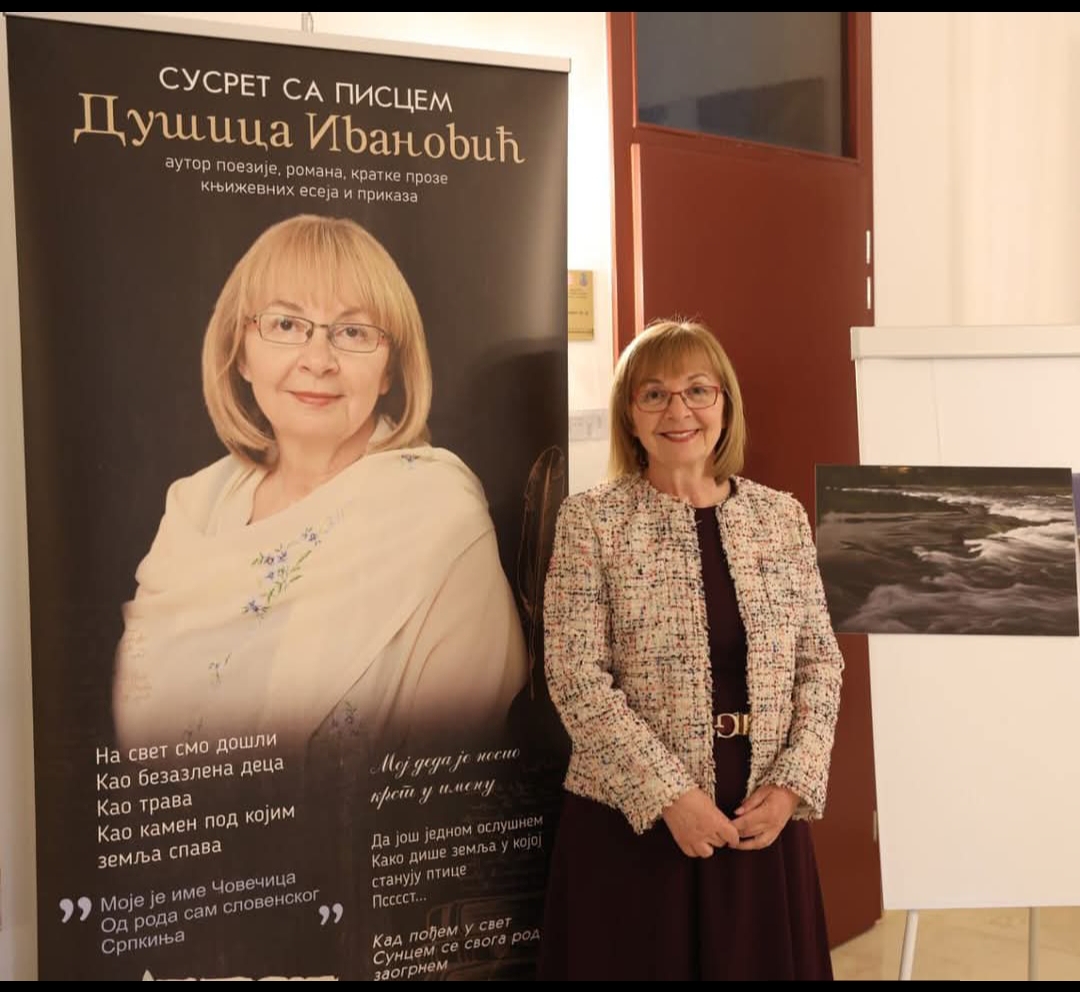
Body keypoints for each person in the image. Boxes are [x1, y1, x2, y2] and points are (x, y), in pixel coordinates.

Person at [112, 214, 527, 756]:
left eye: (353, 332)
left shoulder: (440, 513)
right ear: (241, 352)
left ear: (388, 370)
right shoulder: (195, 505)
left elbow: (458, 751)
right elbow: (140, 712)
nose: (318, 361)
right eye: (286, 324)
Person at [537, 318, 844, 981]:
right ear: (630, 415)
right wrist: (669, 795)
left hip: (761, 820)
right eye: (655, 394)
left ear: (724, 404)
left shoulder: (780, 518)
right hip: (632, 825)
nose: (679, 411)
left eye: (698, 390)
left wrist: (793, 783)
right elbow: (575, 676)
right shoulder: (592, 521)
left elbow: (820, 663)